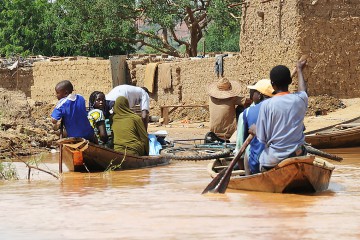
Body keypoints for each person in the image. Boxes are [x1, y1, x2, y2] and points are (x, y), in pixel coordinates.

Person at [250, 60, 308, 171]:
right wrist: (299, 70)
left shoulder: (266, 105)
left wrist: (255, 130)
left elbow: (262, 139)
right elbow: (303, 91)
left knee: (256, 157)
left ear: (272, 84)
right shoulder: (300, 99)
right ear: (290, 81)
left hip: (274, 159)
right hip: (298, 154)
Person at [240, 79, 274, 175]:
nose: (251, 95)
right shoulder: (283, 107)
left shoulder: (247, 112)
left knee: (247, 152)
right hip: (283, 159)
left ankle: (248, 179)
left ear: (260, 95)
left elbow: (245, 141)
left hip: (258, 163)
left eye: (253, 92)